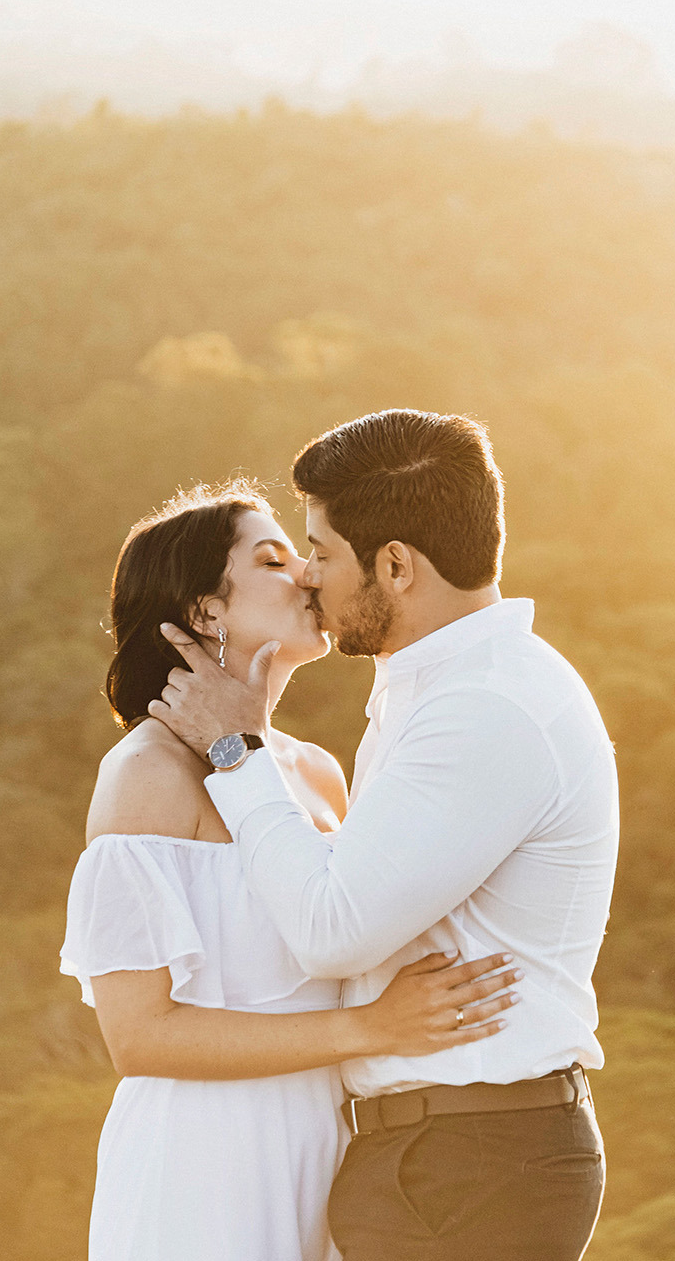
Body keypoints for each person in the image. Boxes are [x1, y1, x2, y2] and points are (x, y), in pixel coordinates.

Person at [149, 409, 620, 1261]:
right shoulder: (441, 688)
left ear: (396, 566)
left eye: (322, 553)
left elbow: (334, 931)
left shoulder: (483, 707)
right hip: (447, 1153)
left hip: (469, 1161)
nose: (308, 578)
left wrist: (234, 750)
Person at [60, 480, 521, 1261]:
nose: (309, 575)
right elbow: (137, 1036)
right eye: (275, 559)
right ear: (206, 612)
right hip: (201, 1164)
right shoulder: (147, 774)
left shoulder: (315, 772)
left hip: (326, 1151)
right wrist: (369, 1029)